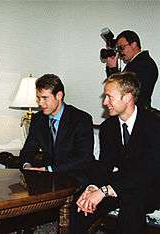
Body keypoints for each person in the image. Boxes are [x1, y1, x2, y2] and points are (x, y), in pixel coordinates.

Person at [72, 72, 160, 234]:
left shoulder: (154, 125)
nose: (105, 103)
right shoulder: (108, 127)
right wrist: (92, 187)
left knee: (132, 202)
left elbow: (149, 171)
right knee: (80, 203)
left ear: (127, 97)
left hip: (151, 186)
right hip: (120, 185)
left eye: (109, 97)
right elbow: (105, 165)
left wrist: (105, 191)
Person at [19, 74, 94, 185]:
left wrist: (49, 169)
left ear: (59, 95)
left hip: (74, 177)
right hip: (47, 179)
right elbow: (27, 151)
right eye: (38, 98)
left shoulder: (81, 119)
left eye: (45, 98)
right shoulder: (38, 119)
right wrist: (27, 166)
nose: (40, 103)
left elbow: (84, 158)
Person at [105, 30, 158, 109]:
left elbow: (124, 90)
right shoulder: (137, 63)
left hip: (138, 114)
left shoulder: (144, 64)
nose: (120, 52)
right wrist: (113, 68)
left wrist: (113, 69)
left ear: (133, 45)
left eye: (121, 48)